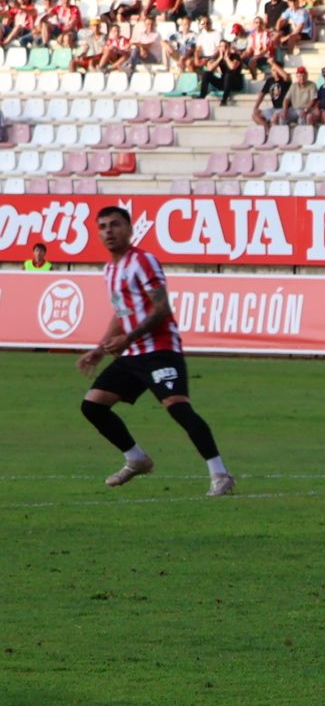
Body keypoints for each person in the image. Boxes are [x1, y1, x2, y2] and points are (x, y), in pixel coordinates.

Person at [75, 206, 234, 496]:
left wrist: (127, 338)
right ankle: (136, 459)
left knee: (177, 407)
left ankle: (220, 474)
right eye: (103, 226)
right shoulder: (110, 270)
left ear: (130, 228)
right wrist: (99, 349)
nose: (109, 231)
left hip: (160, 348)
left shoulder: (143, 261)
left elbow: (162, 309)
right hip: (133, 353)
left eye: (115, 224)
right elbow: (121, 312)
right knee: (93, 406)